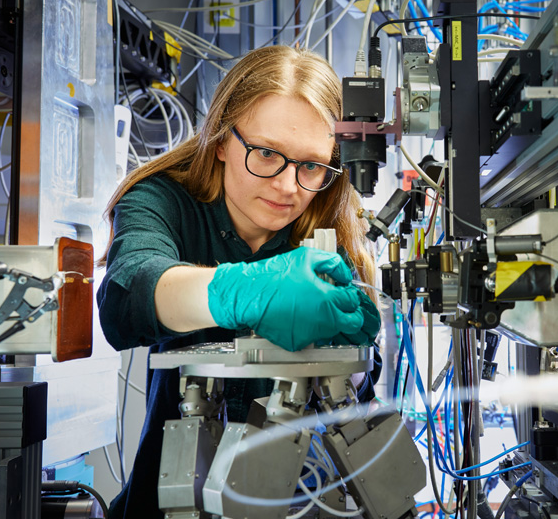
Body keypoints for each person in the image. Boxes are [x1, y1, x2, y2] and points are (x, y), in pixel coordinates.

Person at [97, 45, 382, 519]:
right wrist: (246, 291)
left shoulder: (328, 230)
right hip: (173, 499)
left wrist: (356, 358)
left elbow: (356, 404)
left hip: (307, 499)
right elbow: (127, 298)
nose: (289, 186)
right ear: (223, 137)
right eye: (268, 154)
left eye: (311, 165)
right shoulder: (164, 202)